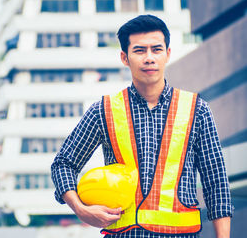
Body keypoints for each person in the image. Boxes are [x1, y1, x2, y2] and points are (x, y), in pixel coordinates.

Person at [51, 15, 233, 237]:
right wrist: (81, 210)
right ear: (124, 58)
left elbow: (216, 182)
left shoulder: (197, 110)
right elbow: (63, 163)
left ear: (168, 54)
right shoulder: (104, 110)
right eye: (139, 51)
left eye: (156, 49)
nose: (149, 58)